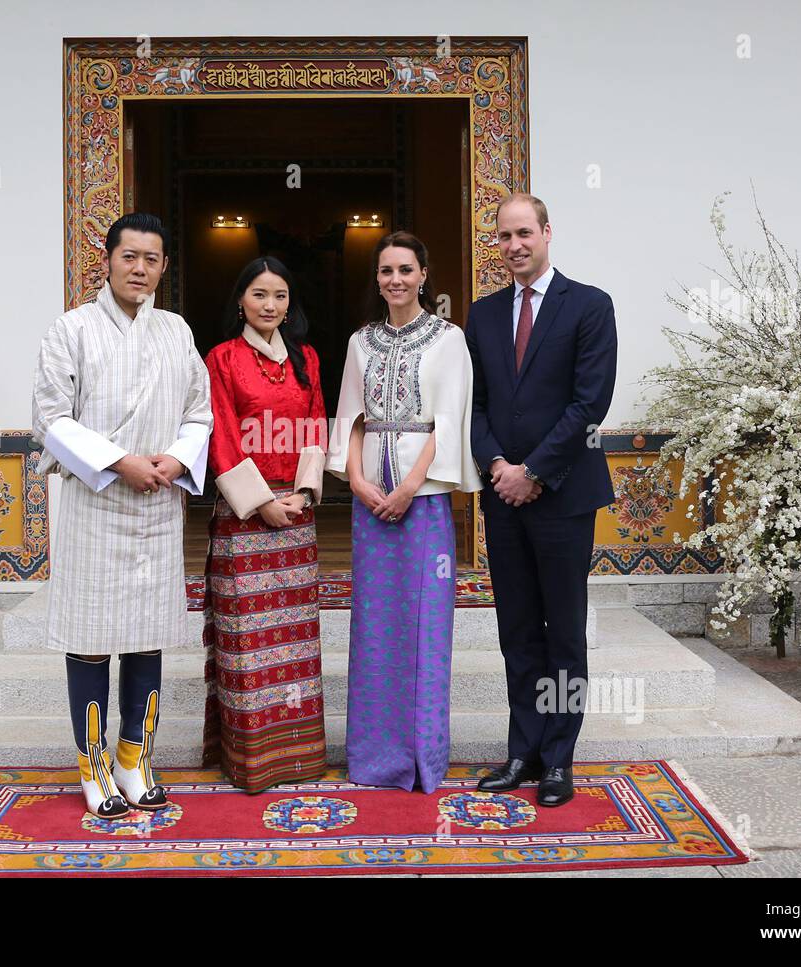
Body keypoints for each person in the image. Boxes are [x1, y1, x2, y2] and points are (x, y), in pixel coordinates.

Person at [31, 212, 212, 819]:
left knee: (146, 634)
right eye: (129, 256)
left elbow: (199, 414)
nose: (140, 268)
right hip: (96, 501)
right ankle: (94, 766)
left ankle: (137, 758)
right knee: (90, 636)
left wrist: (173, 461)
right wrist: (119, 462)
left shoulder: (177, 331)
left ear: (164, 266)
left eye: (152, 259)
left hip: (158, 502)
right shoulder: (72, 330)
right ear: (106, 261)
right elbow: (52, 420)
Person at [465, 192, 618, 807]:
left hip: (562, 496)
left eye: (524, 233)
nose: (514, 246)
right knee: (518, 631)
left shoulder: (589, 306)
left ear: (547, 232)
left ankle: (559, 757)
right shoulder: (481, 314)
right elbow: (472, 405)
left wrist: (534, 470)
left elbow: (590, 403)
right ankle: (522, 750)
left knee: (564, 634)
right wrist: (499, 465)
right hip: (504, 497)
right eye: (504, 237)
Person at [327, 231, 481, 794]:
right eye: (386, 270)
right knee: (374, 627)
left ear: (423, 276)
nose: (395, 279)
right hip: (371, 504)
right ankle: (372, 759)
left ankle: (421, 758)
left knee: (424, 627)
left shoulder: (449, 339)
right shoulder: (360, 342)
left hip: (425, 501)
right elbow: (350, 419)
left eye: (405, 270)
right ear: (378, 279)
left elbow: (451, 423)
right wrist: (362, 484)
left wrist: (409, 487)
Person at [201, 256, 329, 793]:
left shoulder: (307, 357)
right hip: (243, 520)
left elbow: (317, 421)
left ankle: (298, 755)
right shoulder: (223, 359)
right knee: (248, 641)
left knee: (294, 641)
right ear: (240, 302)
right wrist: (259, 502)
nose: (270, 305)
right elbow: (221, 432)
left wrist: (302, 491)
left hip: (296, 516)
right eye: (259, 295)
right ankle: (252, 760)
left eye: (279, 295)